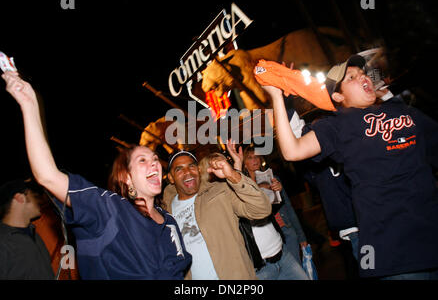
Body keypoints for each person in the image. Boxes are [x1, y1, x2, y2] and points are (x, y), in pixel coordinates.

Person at [260, 54, 438, 279]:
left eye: (363, 74)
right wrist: (277, 97)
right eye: (351, 77)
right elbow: (292, 150)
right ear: (338, 95)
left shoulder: (402, 110)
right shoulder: (337, 125)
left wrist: (389, 93)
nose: (363, 77)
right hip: (393, 254)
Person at [2, 70, 191, 279]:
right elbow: (47, 175)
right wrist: (29, 105)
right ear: (126, 177)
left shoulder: (169, 221)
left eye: (155, 159)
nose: (154, 164)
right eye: (143, 160)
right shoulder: (109, 208)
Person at [163, 150, 272, 279]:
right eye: (179, 169)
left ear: (198, 169)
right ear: (171, 177)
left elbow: (262, 209)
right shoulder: (165, 213)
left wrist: (232, 175)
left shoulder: (220, 192)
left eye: (191, 166)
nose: (187, 172)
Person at [226, 143, 309, 280]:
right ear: (244, 163)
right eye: (251, 157)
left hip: (283, 235)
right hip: (263, 254)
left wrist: (278, 192)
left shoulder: (272, 178)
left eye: (257, 156)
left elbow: (285, 209)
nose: (255, 160)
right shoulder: (241, 187)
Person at [0, 178, 54, 279]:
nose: (39, 199)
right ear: (20, 198)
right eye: (34, 195)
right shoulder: (3, 242)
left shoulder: (35, 235)